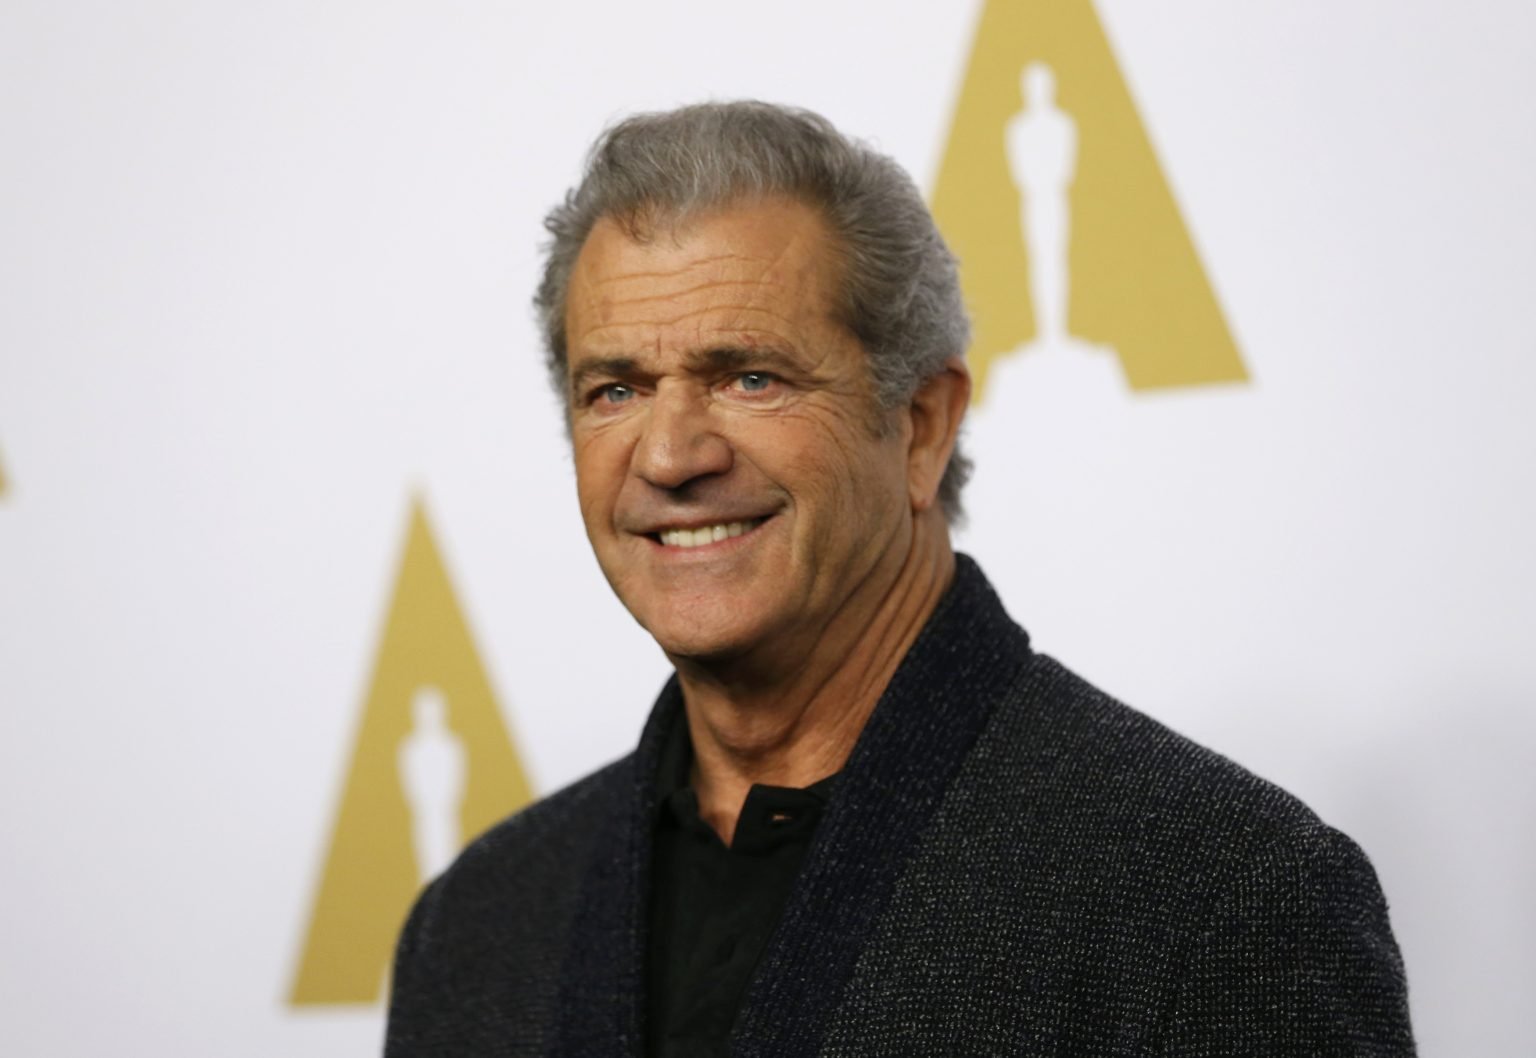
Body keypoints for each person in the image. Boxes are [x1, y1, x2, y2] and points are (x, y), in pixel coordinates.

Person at [385, 101, 1415, 1057]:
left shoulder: (1223, 897)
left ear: (921, 426)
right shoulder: (478, 924)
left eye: (750, 377)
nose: (669, 455)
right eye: (615, 390)